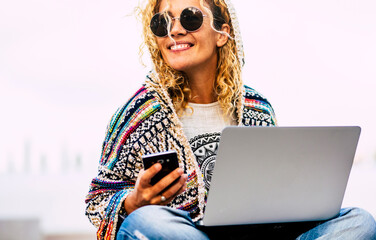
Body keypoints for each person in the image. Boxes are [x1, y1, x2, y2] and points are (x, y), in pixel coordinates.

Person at [85, 0, 376, 239]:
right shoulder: (140, 113)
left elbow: (276, 190)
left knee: (359, 222)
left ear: (222, 33)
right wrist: (134, 202)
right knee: (149, 222)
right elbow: (97, 200)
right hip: (186, 235)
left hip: (259, 235)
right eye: (161, 22)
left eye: (189, 17)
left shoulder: (257, 107)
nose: (174, 30)